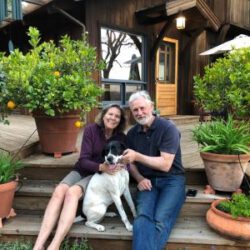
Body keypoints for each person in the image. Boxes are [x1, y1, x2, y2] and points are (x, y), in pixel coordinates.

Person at [33, 104, 127, 250]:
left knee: (72, 194)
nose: (113, 118)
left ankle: (54, 245)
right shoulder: (91, 130)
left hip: (99, 176)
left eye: (117, 116)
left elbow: (126, 157)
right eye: (110, 114)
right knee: (59, 191)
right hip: (84, 169)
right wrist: (100, 166)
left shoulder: (121, 138)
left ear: (120, 121)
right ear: (103, 115)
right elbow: (83, 160)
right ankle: (38, 245)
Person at [122, 91, 186, 250]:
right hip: (147, 181)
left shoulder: (168, 128)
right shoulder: (132, 133)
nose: (139, 113)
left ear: (151, 107)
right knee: (142, 217)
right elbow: (131, 163)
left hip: (172, 180)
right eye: (135, 110)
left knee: (160, 219)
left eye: (142, 108)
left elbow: (165, 164)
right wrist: (139, 178)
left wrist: (137, 156)